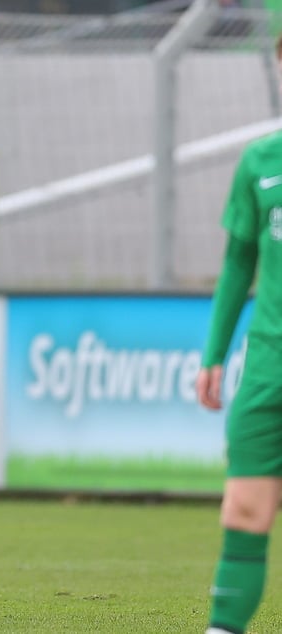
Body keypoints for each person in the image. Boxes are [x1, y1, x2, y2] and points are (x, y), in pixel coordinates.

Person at [196, 36, 282, 634]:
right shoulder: (261, 161)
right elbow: (237, 263)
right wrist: (214, 354)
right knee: (245, 507)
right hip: (269, 366)